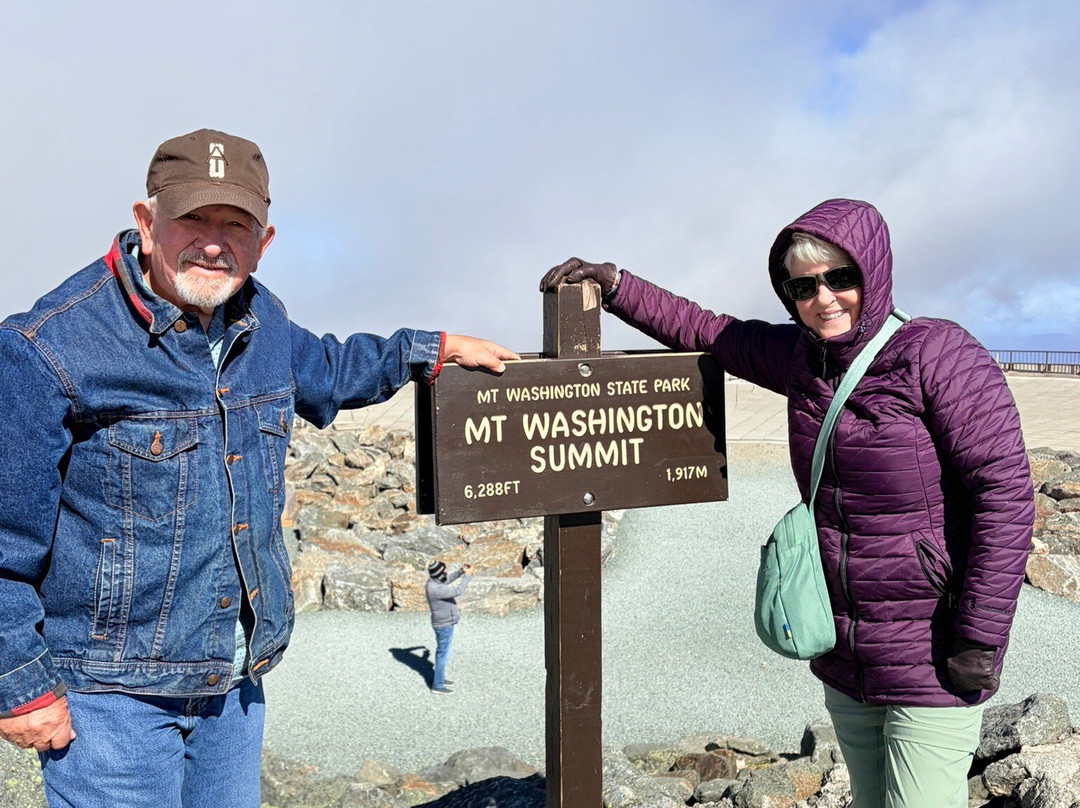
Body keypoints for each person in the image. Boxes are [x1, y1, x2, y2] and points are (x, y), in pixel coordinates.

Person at [0, 128, 518, 808]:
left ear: (263, 241)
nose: (214, 242)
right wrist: (20, 684)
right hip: (112, 701)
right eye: (193, 218)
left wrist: (433, 349)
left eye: (235, 224)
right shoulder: (48, 348)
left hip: (234, 685)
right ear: (146, 221)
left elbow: (331, 369)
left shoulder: (262, 318)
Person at [540, 198, 1034, 808]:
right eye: (803, 286)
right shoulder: (803, 360)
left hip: (933, 653)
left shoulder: (936, 353)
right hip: (844, 650)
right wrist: (615, 285)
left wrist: (980, 638)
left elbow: (1006, 493)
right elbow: (708, 330)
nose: (824, 298)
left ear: (872, 273)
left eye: (840, 278)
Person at [424, 560, 472, 694]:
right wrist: (468, 576)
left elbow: (446, 580)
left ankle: (439, 679)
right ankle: (438, 686)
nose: (446, 572)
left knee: (442, 653)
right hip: (444, 625)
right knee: (442, 655)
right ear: (438, 573)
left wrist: (460, 572)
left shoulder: (433, 583)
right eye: (444, 570)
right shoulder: (437, 589)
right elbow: (458, 591)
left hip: (442, 623)